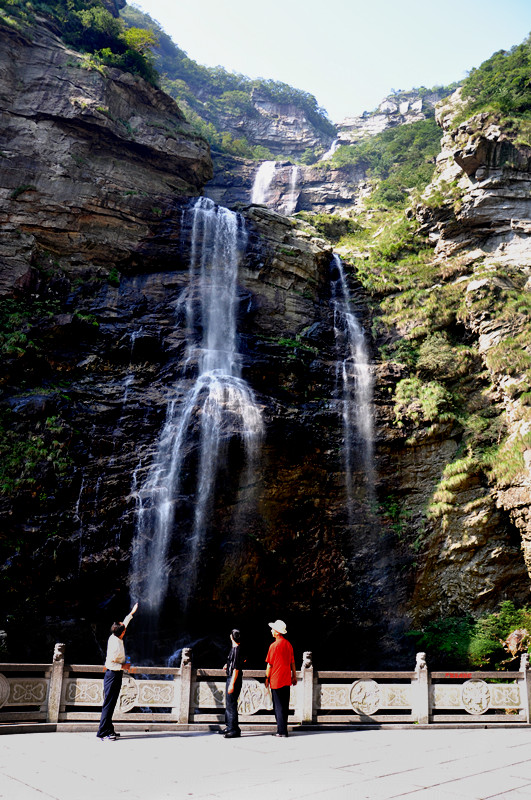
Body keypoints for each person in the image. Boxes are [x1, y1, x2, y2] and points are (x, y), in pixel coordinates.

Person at [96, 601, 138, 741]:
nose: (125, 627)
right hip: (112, 674)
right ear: (122, 632)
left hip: (115, 674)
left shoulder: (115, 635)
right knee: (109, 703)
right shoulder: (115, 644)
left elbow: (124, 623)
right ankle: (103, 732)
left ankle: (109, 729)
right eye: (123, 627)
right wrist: (124, 667)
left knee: (111, 703)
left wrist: (132, 613)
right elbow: (111, 662)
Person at [265, 619, 297, 737]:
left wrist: (266, 678)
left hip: (276, 679)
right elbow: (292, 662)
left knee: (278, 706)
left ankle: (281, 731)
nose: (271, 630)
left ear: (277, 632)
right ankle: (284, 729)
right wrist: (294, 676)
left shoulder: (273, 646)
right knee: (284, 705)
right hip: (286, 678)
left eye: (273, 629)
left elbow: (269, 664)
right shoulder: (288, 644)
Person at [223, 628, 244, 739]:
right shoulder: (235, 648)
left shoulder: (236, 650)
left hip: (233, 679)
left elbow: (236, 669)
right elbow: (239, 662)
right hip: (232, 677)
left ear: (231, 637)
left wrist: (232, 684)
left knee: (231, 704)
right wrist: (227, 664)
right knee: (229, 703)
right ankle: (229, 726)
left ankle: (233, 729)